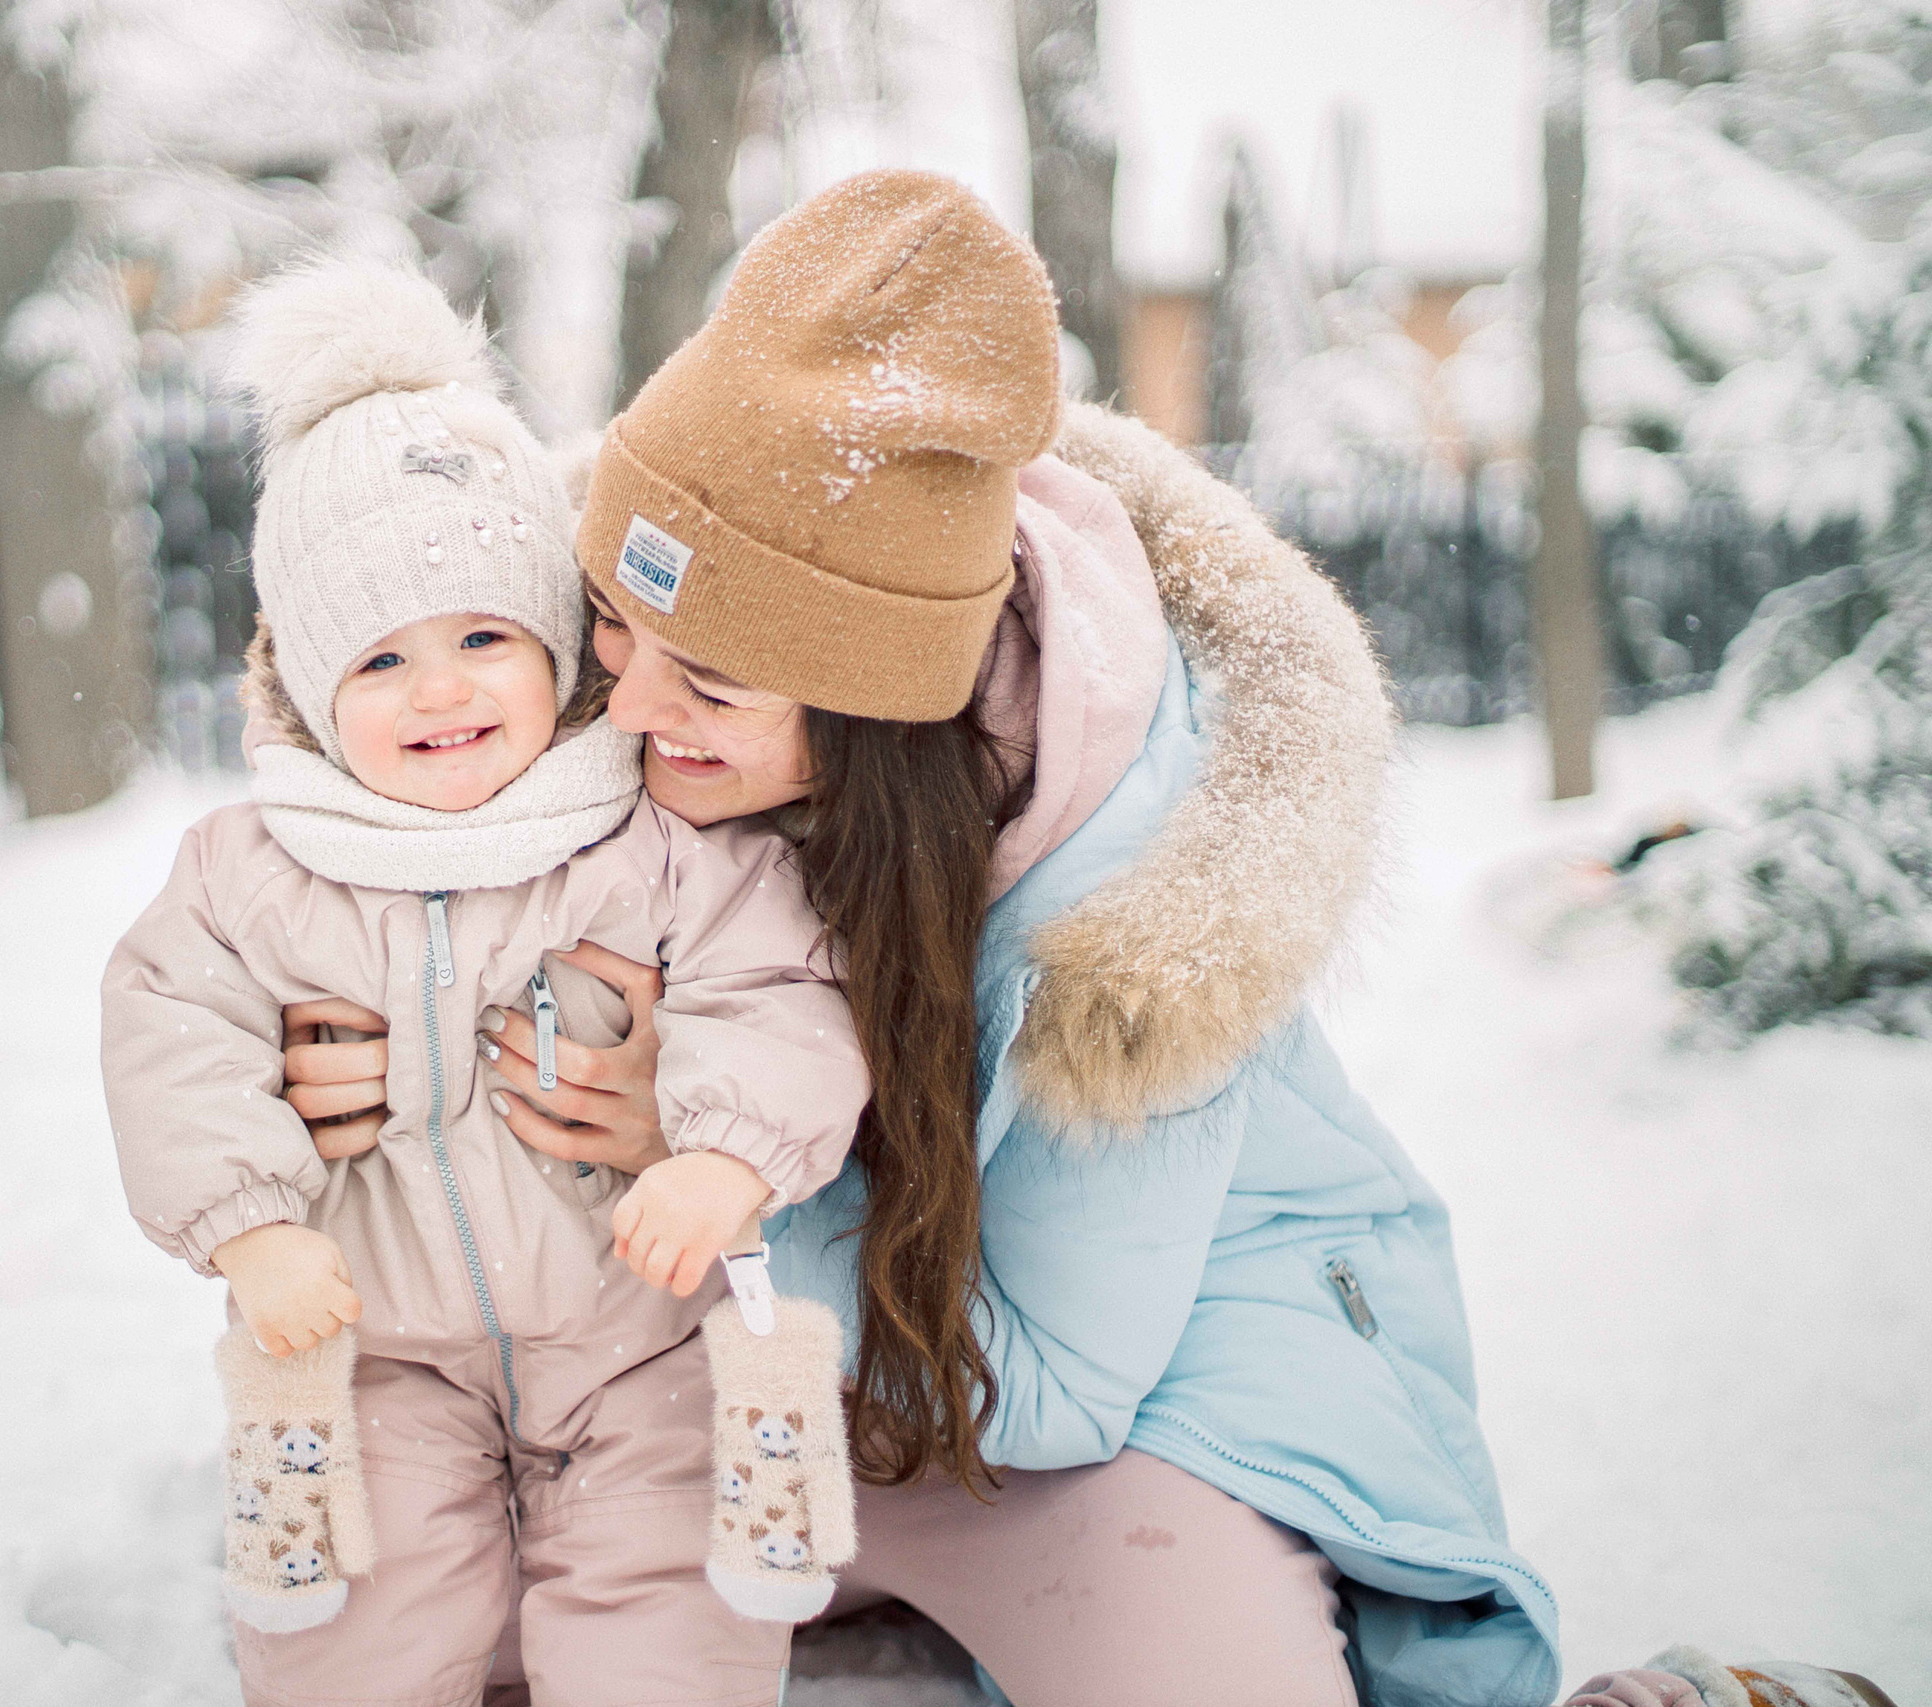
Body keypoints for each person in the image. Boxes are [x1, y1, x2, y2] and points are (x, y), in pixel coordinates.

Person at [278, 175, 1895, 1707]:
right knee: (416, 1633)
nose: (627, 711)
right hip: (750, 1375)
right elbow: (371, 725)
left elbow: (1049, 1389)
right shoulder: (665, 680)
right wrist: (348, 1029)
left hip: (1111, 1403)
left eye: (708, 685)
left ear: (879, 713)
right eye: (614, 635)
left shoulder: (1141, 913)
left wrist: (697, 1157)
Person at [100, 258, 868, 1704]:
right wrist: (246, 1226)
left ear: (557, 649)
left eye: (480, 638)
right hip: (375, 1348)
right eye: (380, 660)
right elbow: (168, 1032)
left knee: (667, 1609)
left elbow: (774, 982)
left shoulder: (646, 840)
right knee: (362, 1624)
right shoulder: (253, 867)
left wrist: (727, 1154)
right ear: (311, 687)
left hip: (640, 1340)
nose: (441, 689)